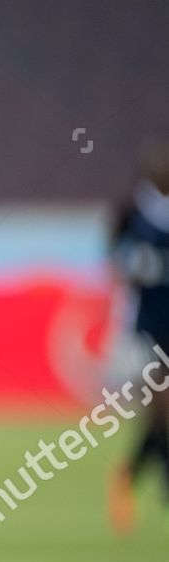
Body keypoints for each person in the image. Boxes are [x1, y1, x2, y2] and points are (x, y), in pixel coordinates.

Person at [106, 138, 169, 535]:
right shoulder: (132, 216)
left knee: (159, 419)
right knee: (162, 407)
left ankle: (128, 474)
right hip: (146, 328)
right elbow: (116, 264)